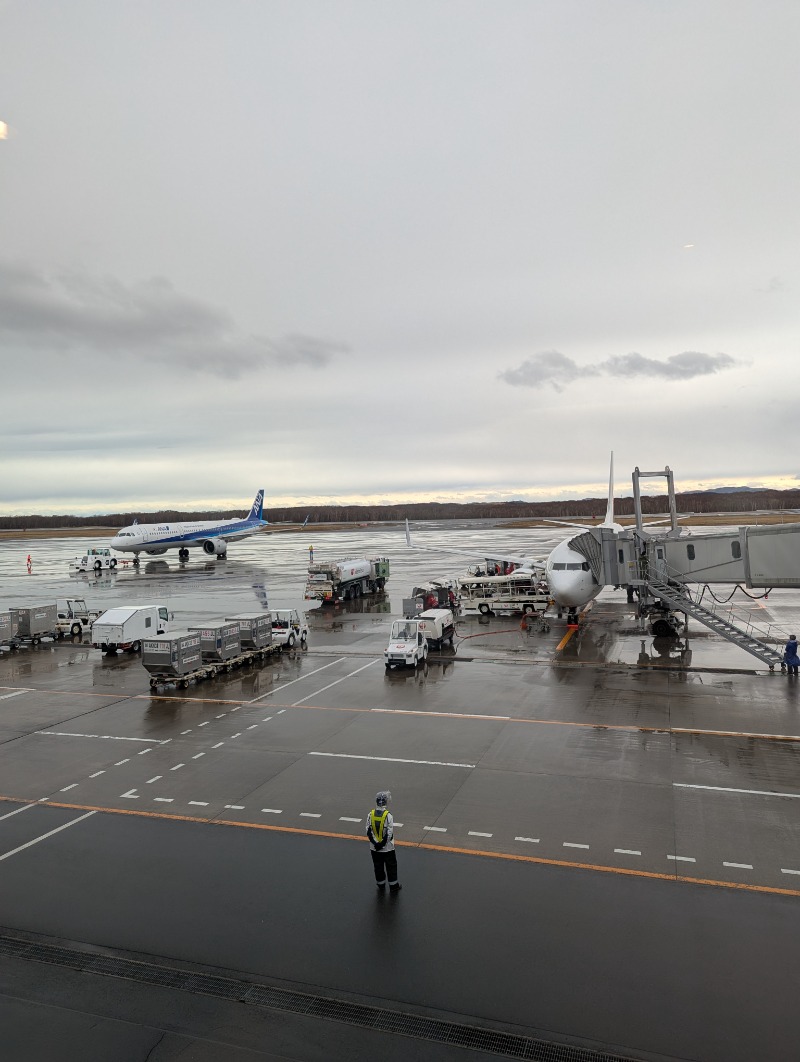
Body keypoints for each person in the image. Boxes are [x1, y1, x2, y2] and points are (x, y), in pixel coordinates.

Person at [366, 790, 401, 892]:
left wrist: (376, 844)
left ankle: (381, 885)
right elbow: (389, 834)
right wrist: (382, 844)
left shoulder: (370, 814)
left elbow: (368, 831)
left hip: (374, 848)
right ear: (386, 802)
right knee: (391, 866)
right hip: (388, 848)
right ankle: (394, 886)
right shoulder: (388, 815)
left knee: (378, 866)